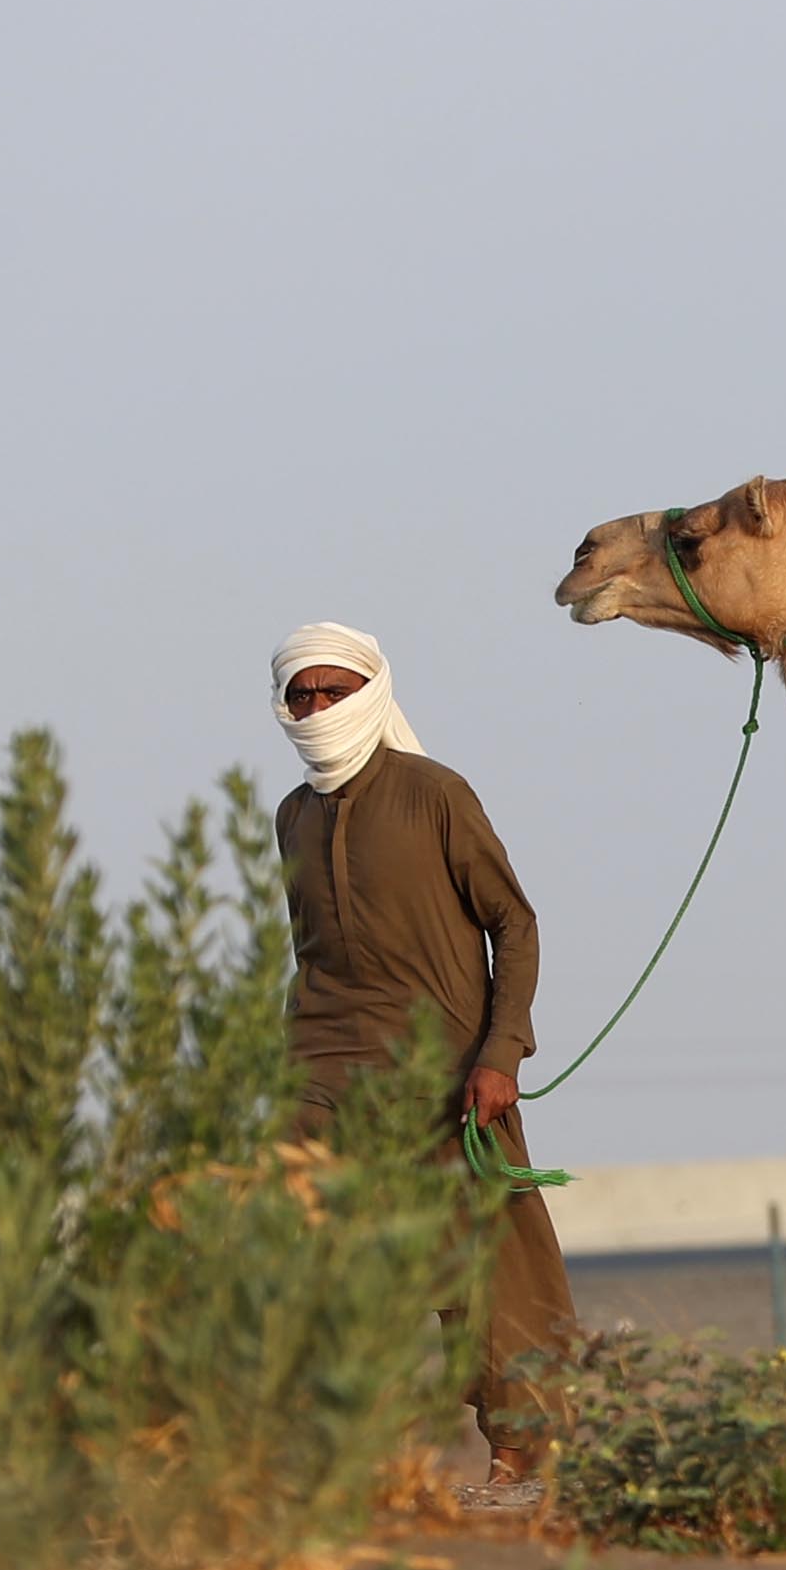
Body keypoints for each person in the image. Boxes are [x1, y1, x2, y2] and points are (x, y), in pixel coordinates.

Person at [269, 619, 577, 1503]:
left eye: (335, 691)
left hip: (449, 1070)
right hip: (324, 1071)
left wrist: (501, 1052)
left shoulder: (434, 793)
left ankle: (519, 1455)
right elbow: (310, 953)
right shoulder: (292, 815)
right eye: (303, 693)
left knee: (487, 1268)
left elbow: (512, 924)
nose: (318, 707)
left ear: (373, 693)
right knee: (317, 1260)